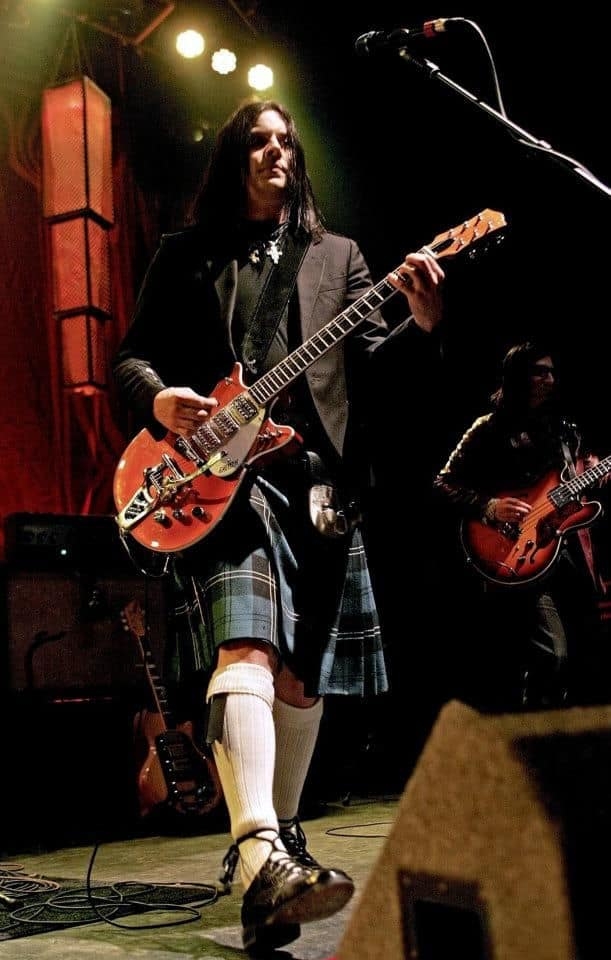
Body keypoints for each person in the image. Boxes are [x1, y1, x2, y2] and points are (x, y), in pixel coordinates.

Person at [112, 97, 445, 954]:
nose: (276, 151)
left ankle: (275, 862)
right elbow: (129, 357)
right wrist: (159, 399)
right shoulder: (187, 254)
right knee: (247, 647)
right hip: (224, 482)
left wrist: (421, 323)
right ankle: (258, 846)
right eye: (258, 140)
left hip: (320, 482)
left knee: (302, 680)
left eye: (286, 140)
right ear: (234, 157)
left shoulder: (338, 257)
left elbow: (375, 367)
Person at [433, 340, 609, 713]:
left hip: (567, 554)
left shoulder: (564, 429)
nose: (550, 379)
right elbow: (443, 483)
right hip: (520, 556)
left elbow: (574, 478)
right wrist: (488, 507)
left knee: (590, 652)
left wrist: (591, 467)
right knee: (552, 655)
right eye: (539, 372)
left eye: (552, 372)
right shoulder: (489, 429)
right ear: (517, 376)